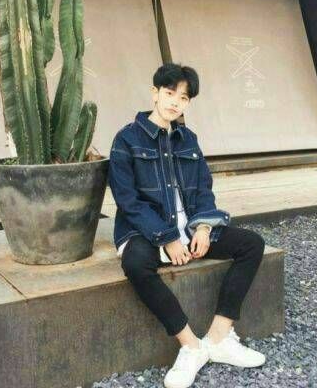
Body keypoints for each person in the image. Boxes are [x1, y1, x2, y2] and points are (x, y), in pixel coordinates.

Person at [108, 62, 266, 388]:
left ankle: (219, 337)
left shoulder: (188, 139)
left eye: (183, 97)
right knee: (135, 263)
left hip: (191, 227)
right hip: (147, 229)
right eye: (170, 93)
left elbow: (204, 189)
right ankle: (191, 346)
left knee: (252, 244)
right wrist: (167, 237)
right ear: (154, 93)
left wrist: (204, 227)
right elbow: (127, 201)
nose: (175, 102)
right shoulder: (126, 139)